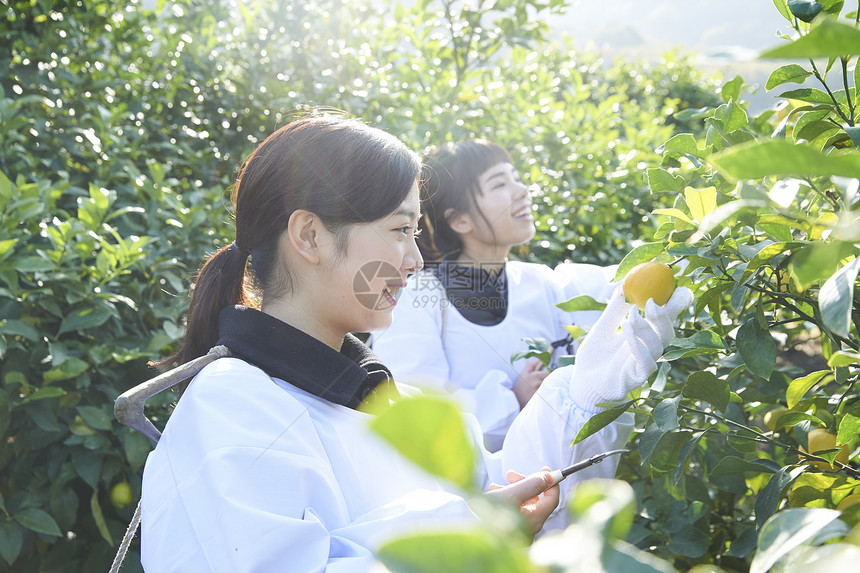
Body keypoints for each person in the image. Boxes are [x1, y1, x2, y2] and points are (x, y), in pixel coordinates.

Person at [140, 115, 690, 571]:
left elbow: (492, 486)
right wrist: (467, 531)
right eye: (400, 230)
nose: (416, 259)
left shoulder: (368, 394)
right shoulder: (233, 403)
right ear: (309, 235)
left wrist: (591, 387)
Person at [371, 140, 615, 452]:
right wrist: (510, 400)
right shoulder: (416, 296)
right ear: (460, 220)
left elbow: (618, 293)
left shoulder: (541, 282)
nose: (522, 190)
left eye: (516, 177)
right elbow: (412, 409)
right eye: (500, 183)